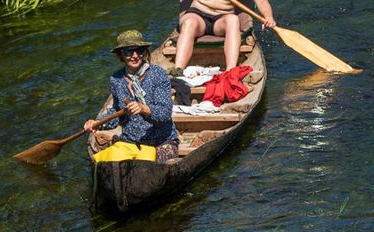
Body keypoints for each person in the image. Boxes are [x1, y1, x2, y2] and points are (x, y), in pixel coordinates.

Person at [83, 30, 180, 162]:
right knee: (104, 161)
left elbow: (165, 113)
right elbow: (117, 112)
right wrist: (98, 123)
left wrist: (143, 108)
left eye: (139, 51)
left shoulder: (158, 74)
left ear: (144, 52)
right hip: (131, 143)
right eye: (128, 52)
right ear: (121, 55)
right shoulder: (116, 79)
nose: (135, 56)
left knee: (152, 163)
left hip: (161, 142)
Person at [175, 0, 276, 71]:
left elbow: (262, 2)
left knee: (233, 20)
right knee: (189, 23)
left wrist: (268, 17)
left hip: (222, 18)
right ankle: (177, 71)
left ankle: (230, 71)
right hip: (197, 14)